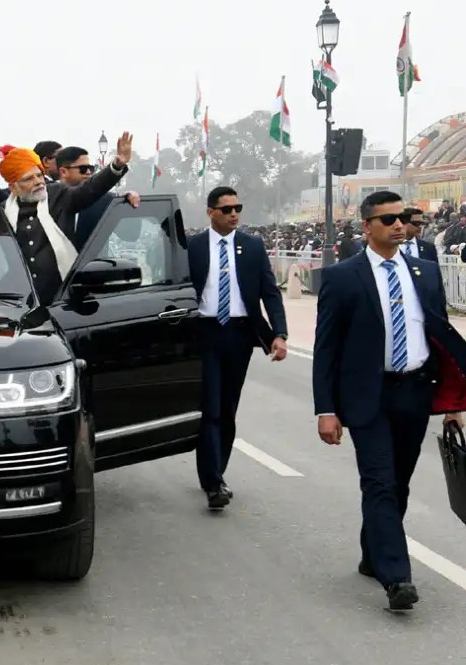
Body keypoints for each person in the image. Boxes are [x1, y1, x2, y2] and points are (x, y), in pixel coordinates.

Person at [313, 190, 466, 610]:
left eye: (402, 217)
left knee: (398, 483)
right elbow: (326, 349)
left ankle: (372, 553)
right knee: (379, 481)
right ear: (367, 227)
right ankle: (397, 577)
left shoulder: (426, 273)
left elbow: (441, 338)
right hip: (368, 397)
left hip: (415, 392)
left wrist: (454, 400)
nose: (399, 225)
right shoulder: (343, 277)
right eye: (387, 219)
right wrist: (326, 409)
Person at [187, 186, 288, 509]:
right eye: (227, 209)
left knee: (228, 408)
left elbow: (270, 292)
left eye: (237, 208)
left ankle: (216, 472)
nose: (234, 214)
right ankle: (214, 481)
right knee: (211, 407)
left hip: (240, 334)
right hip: (205, 333)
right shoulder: (194, 247)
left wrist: (279, 333)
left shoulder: (252, 246)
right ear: (210, 212)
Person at [0, 132, 132, 304]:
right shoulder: (2, 212)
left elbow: (90, 189)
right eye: (29, 179)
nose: (38, 182)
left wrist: (116, 166)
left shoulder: (58, 195)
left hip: (62, 301)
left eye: (39, 175)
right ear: (13, 187)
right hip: (18, 302)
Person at [51, 145, 141, 250]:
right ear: (63, 172)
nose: (89, 172)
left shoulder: (105, 200)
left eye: (91, 168)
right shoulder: (46, 200)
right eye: (83, 169)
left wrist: (127, 203)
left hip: (93, 265)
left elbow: (131, 235)